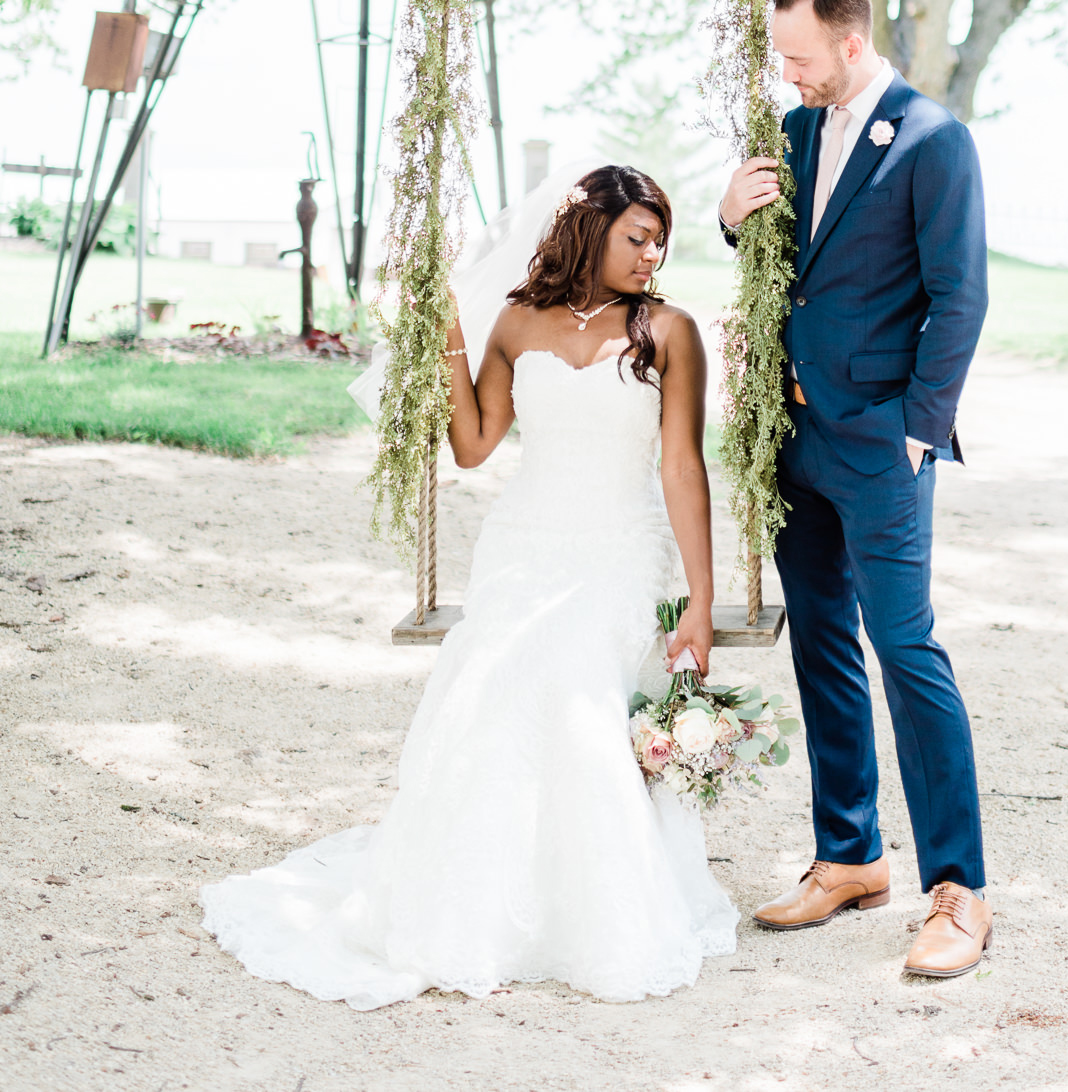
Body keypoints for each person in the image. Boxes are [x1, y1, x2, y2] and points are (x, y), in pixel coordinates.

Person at [202, 165, 736, 1006]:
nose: (652, 253)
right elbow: (476, 444)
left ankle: (595, 910)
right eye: (638, 236)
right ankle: (471, 904)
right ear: (589, 231)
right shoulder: (517, 324)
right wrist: (451, 332)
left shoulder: (667, 331)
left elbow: (681, 467)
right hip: (523, 543)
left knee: (569, 685)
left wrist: (702, 601)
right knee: (489, 683)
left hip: (618, 551)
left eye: (660, 239)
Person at [720, 0, 991, 979]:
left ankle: (958, 891)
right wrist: (730, 217)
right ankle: (850, 856)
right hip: (795, 441)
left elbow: (959, 296)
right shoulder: (791, 134)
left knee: (905, 646)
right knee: (821, 646)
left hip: (883, 443)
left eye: (796, 56)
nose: (784, 73)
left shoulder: (932, 139)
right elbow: (782, 270)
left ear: (847, 42)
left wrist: (917, 430)